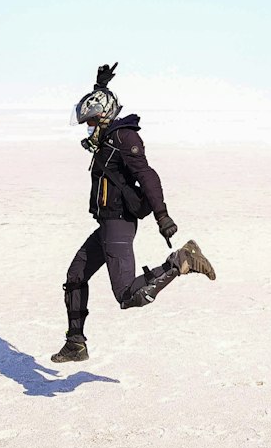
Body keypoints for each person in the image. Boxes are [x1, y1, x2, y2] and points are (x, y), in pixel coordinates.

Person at [51, 62, 216, 363]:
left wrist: (162, 216)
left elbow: (148, 176)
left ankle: (181, 260)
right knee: (76, 275)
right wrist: (99, 86)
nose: (88, 129)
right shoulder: (107, 136)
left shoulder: (126, 139)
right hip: (106, 225)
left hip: (119, 224)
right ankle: (75, 343)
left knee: (128, 295)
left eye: (91, 122)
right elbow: (103, 104)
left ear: (104, 118)